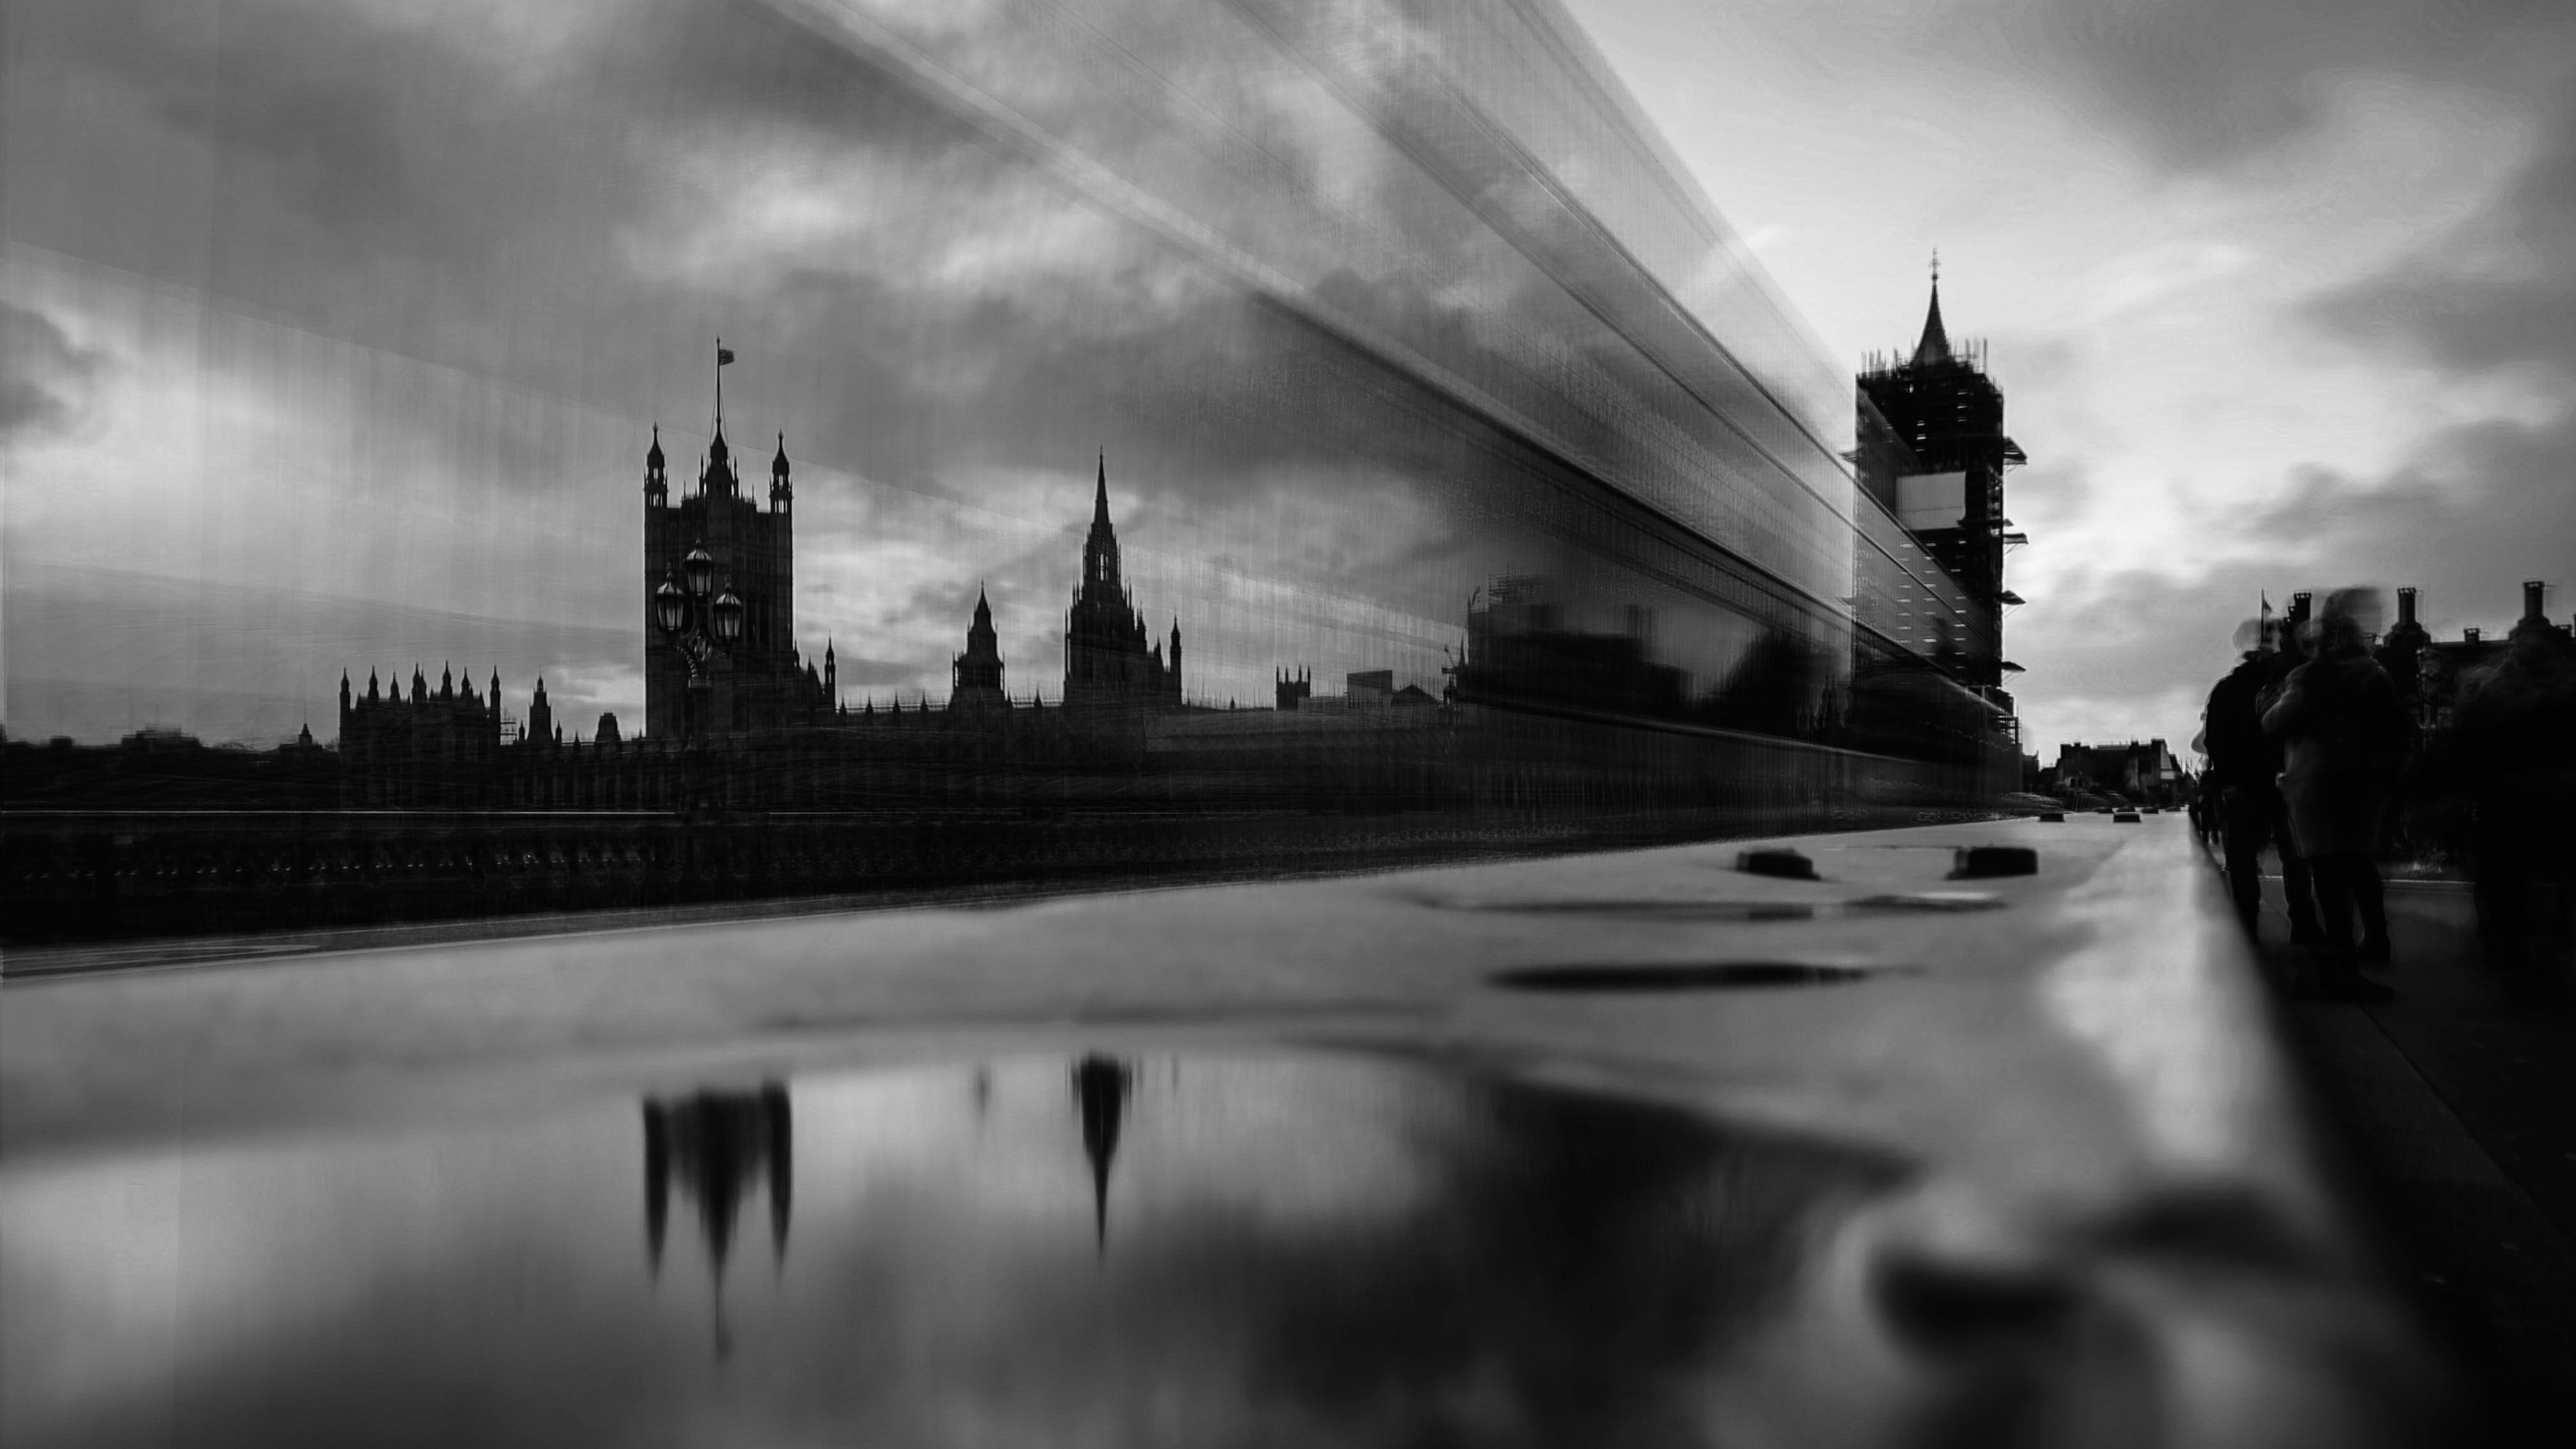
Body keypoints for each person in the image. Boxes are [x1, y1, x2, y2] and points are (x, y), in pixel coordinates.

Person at [2264, 590, 2411, 1000]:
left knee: (2329, 875)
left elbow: (2274, 722)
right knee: (2360, 863)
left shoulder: (2311, 677)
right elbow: (2396, 729)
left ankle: (2341, 968)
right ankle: (2376, 938)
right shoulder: (2376, 676)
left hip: (2319, 786)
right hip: (2364, 783)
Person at [2204, 618, 2323, 948]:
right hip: (2284, 780)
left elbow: (2217, 739)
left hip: (2246, 784)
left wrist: (2228, 780)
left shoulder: (2228, 689)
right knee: (2295, 859)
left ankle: (2247, 923)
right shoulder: (2288, 684)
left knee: (2244, 859)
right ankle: (2303, 922)